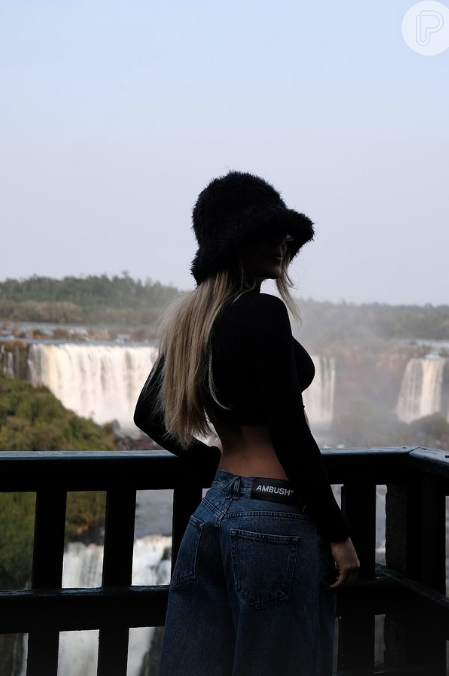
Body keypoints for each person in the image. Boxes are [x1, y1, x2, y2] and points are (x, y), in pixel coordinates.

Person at [133, 170, 360, 676]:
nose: (281, 242)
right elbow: (290, 430)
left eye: (285, 233)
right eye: (267, 231)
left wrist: (215, 461)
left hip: (212, 512)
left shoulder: (193, 319)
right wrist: (337, 530)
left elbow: (146, 414)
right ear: (234, 241)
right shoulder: (262, 312)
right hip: (276, 519)